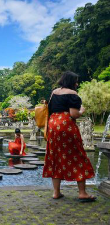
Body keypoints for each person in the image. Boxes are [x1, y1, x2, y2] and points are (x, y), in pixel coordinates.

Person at [42, 71, 95, 202]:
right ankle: (82, 193)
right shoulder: (73, 94)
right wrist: (82, 110)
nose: (77, 84)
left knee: (55, 156)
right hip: (66, 125)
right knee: (77, 155)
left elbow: (50, 109)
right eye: (76, 81)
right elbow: (74, 114)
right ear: (71, 82)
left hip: (53, 125)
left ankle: (56, 192)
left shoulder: (54, 92)